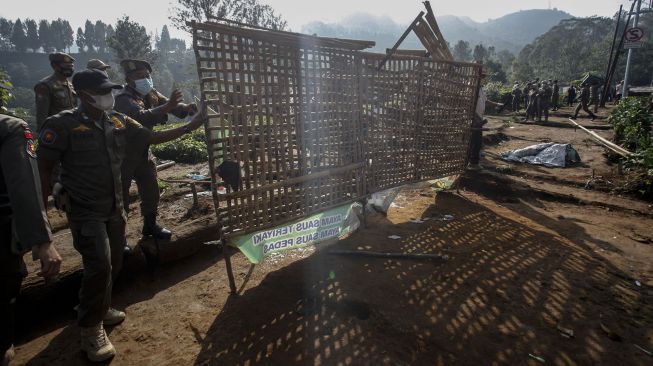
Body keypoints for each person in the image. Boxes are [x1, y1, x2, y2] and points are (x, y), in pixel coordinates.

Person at [37, 69, 205, 362]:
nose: (109, 96)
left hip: (114, 206)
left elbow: (152, 136)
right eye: (103, 92)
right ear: (84, 95)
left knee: (114, 262)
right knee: (99, 263)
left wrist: (194, 123)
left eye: (110, 91)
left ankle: (97, 306)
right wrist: (43, 222)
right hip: (84, 210)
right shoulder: (61, 125)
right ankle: (90, 330)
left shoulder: (117, 120)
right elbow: (43, 169)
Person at [1, 113, 61, 366]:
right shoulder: (10, 128)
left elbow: (25, 185)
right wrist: (43, 241)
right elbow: (26, 185)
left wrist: (41, 238)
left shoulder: (7, 128)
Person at [114, 59, 197, 241]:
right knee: (121, 197)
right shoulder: (123, 99)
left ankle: (150, 225)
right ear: (129, 80)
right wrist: (167, 107)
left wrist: (187, 108)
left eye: (147, 75)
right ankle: (118, 237)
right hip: (123, 154)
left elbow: (171, 104)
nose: (145, 79)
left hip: (143, 151)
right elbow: (139, 117)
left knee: (150, 189)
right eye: (139, 76)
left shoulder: (150, 93)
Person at [34, 53, 78, 132]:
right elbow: (42, 115)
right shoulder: (45, 86)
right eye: (66, 66)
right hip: (56, 131)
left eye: (71, 66)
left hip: (71, 130)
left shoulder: (70, 85)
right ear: (55, 66)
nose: (69, 69)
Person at [469, 74, 503, 170]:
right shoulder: (472, 88)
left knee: (476, 141)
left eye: (483, 77)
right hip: (474, 118)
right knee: (476, 141)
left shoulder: (480, 89)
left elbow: (485, 101)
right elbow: (469, 103)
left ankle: (473, 160)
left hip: (479, 118)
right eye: (481, 77)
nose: (483, 79)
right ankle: (473, 163)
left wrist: (496, 104)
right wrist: (474, 117)